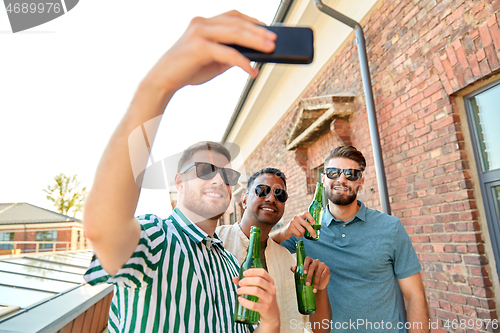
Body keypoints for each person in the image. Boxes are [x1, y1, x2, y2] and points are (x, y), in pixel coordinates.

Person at [83, 11, 283, 332]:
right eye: (204, 169)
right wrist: (160, 84)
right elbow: (103, 228)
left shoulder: (231, 265)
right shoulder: (156, 239)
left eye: (227, 175)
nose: (218, 178)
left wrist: (271, 319)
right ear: (178, 183)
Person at [271, 146, 429, 333]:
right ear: (323, 179)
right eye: (333, 172)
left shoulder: (390, 228)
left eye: (351, 174)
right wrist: (283, 232)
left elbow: (414, 295)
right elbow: (263, 246)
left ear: (360, 182)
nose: (341, 179)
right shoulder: (305, 231)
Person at [217, 168, 332, 333]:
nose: (271, 198)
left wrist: (320, 289)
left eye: (280, 195)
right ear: (244, 200)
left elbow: (318, 330)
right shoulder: (216, 242)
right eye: (262, 190)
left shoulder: (289, 261)